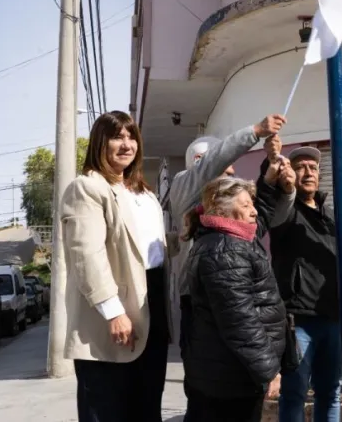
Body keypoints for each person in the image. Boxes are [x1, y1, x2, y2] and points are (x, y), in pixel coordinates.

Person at [61, 111, 172, 422]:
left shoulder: (143, 193)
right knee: (107, 408)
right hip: (113, 313)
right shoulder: (87, 188)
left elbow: (146, 248)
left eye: (131, 136)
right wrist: (113, 311)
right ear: (100, 142)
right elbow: (87, 254)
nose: (127, 144)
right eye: (117, 137)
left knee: (147, 407)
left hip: (152, 304)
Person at [167, 115, 286, 385]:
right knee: (210, 385)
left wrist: (272, 173)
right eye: (225, 171)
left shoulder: (231, 222)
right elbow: (213, 163)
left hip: (233, 303)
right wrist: (255, 131)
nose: (230, 178)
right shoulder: (186, 185)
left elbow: (261, 219)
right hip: (200, 304)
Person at [182, 157, 297, 422]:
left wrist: (268, 181)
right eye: (245, 205)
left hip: (228, 372)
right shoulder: (226, 251)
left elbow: (262, 215)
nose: (253, 211)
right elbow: (239, 320)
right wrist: (268, 370)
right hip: (229, 378)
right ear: (222, 211)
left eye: (252, 204)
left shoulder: (231, 239)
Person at [269, 146, 342, 422]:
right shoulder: (284, 210)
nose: (308, 172)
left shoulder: (331, 214)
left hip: (332, 316)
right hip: (298, 319)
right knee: (294, 393)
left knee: (330, 392)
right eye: (300, 167)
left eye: (313, 168)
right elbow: (279, 204)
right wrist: (285, 186)